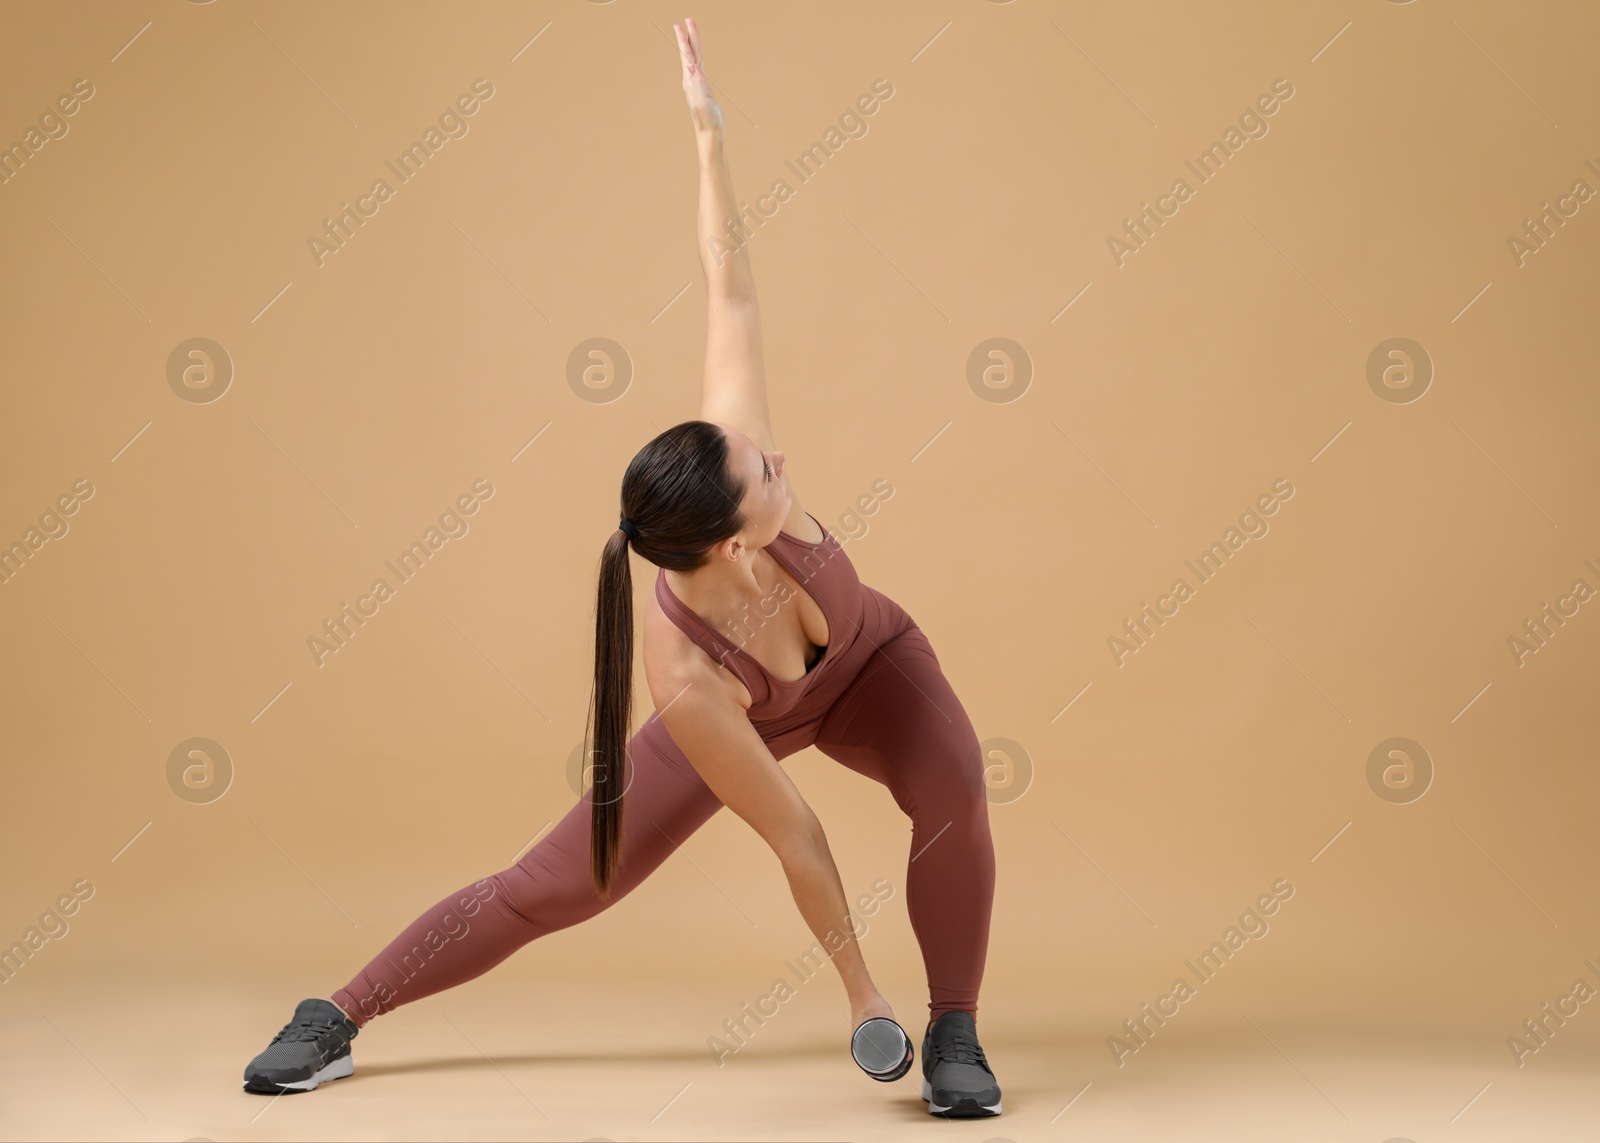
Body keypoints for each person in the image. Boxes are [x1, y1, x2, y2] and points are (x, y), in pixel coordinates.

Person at [241, 17, 1001, 1119]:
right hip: (745, 723)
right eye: (767, 477)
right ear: (734, 543)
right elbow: (796, 833)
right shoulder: (687, 681)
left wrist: (708, 142)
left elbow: (727, 291)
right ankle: (339, 1016)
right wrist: (856, 994)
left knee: (956, 786)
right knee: (554, 888)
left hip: (875, 663)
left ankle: (958, 1032)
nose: (778, 459)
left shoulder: (727, 457)